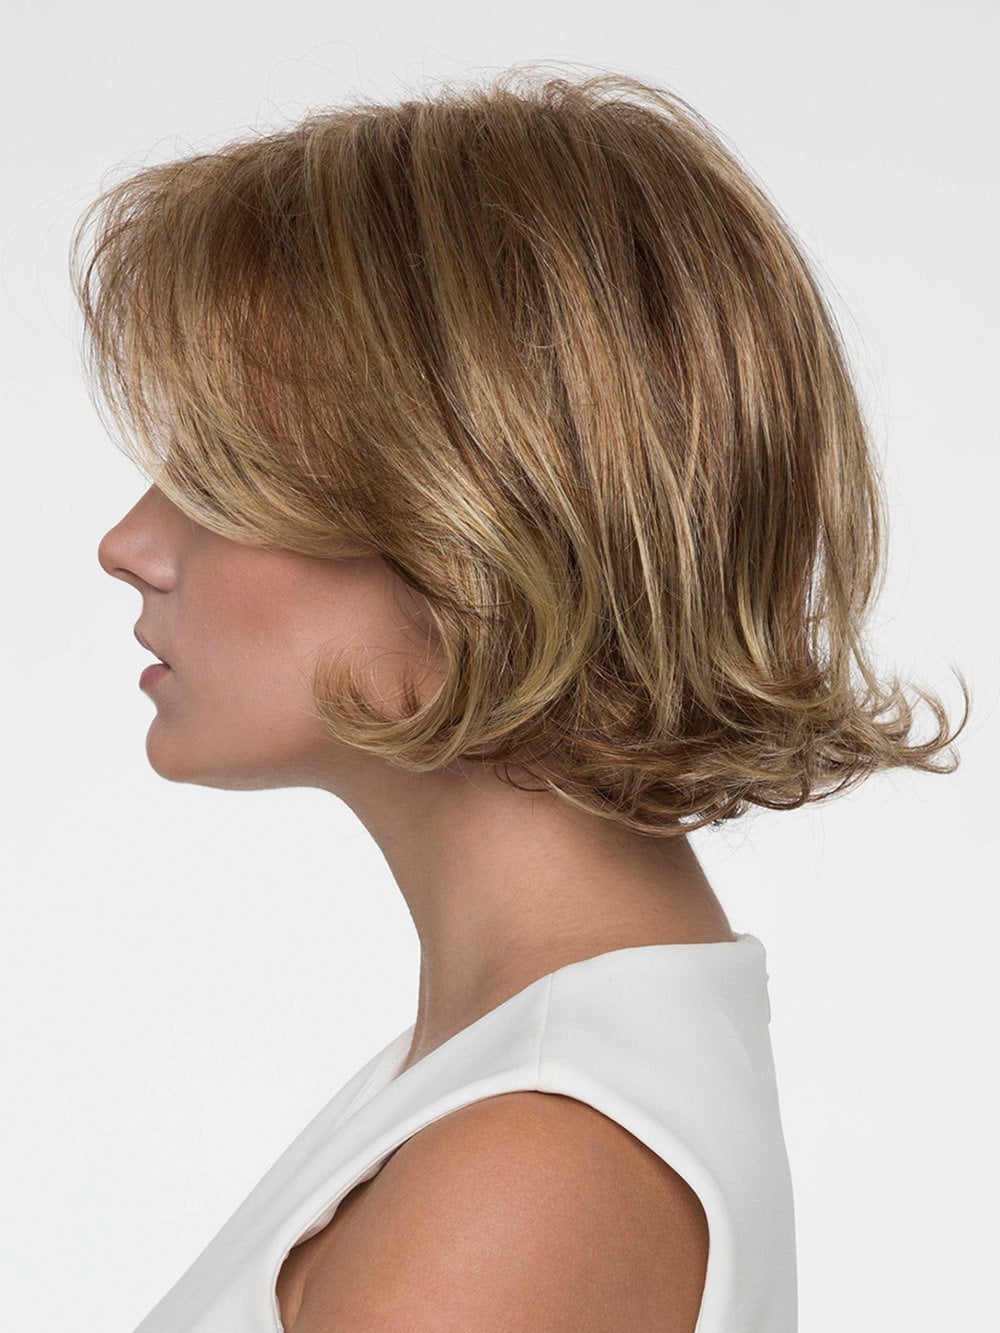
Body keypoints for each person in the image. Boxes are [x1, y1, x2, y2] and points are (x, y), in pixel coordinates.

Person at [80, 61, 969, 1332]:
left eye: (222, 472)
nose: (129, 544)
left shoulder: (526, 1164)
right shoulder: (515, 1074)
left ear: (474, 521)